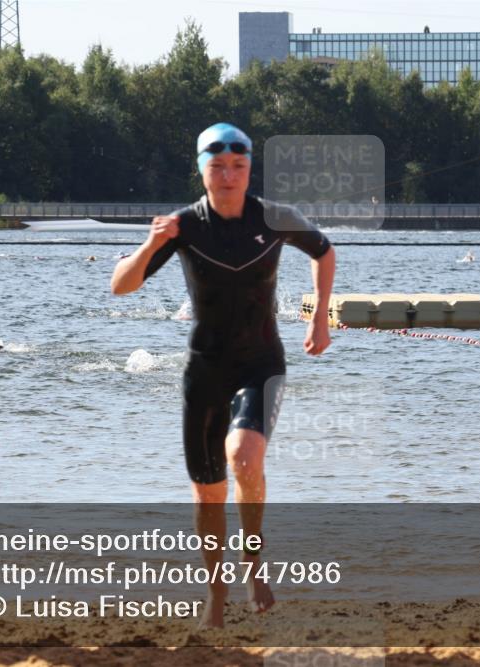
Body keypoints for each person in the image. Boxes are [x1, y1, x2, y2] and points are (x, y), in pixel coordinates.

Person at [110, 122, 336, 628]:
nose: (229, 176)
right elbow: (120, 286)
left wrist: (319, 316)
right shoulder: (184, 225)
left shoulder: (275, 217)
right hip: (205, 371)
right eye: (217, 167)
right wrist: (149, 245)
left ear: (250, 168)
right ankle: (216, 590)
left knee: (244, 457)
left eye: (238, 165)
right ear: (202, 170)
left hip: (261, 363)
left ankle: (253, 565)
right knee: (208, 492)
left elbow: (324, 252)